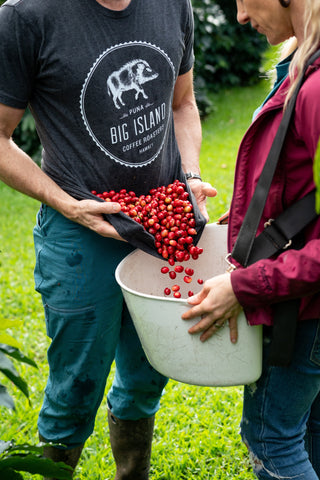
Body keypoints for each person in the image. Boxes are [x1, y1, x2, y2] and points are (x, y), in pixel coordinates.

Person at [0, 0, 217, 478]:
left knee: (146, 376)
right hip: (80, 236)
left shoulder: (172, 5)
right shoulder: (28, 16)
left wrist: (191, 173)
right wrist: (66, 203)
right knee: (75, 388)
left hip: (163, 228)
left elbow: (182, 103)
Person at [182, 0, 320, 478]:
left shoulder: (318, 87)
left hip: (305, 311)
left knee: (272, 439)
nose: (238, 16)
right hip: (304, 301)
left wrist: (244, 286)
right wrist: (246, 223)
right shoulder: (300, 65)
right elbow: (306, 191)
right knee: (309, 429)